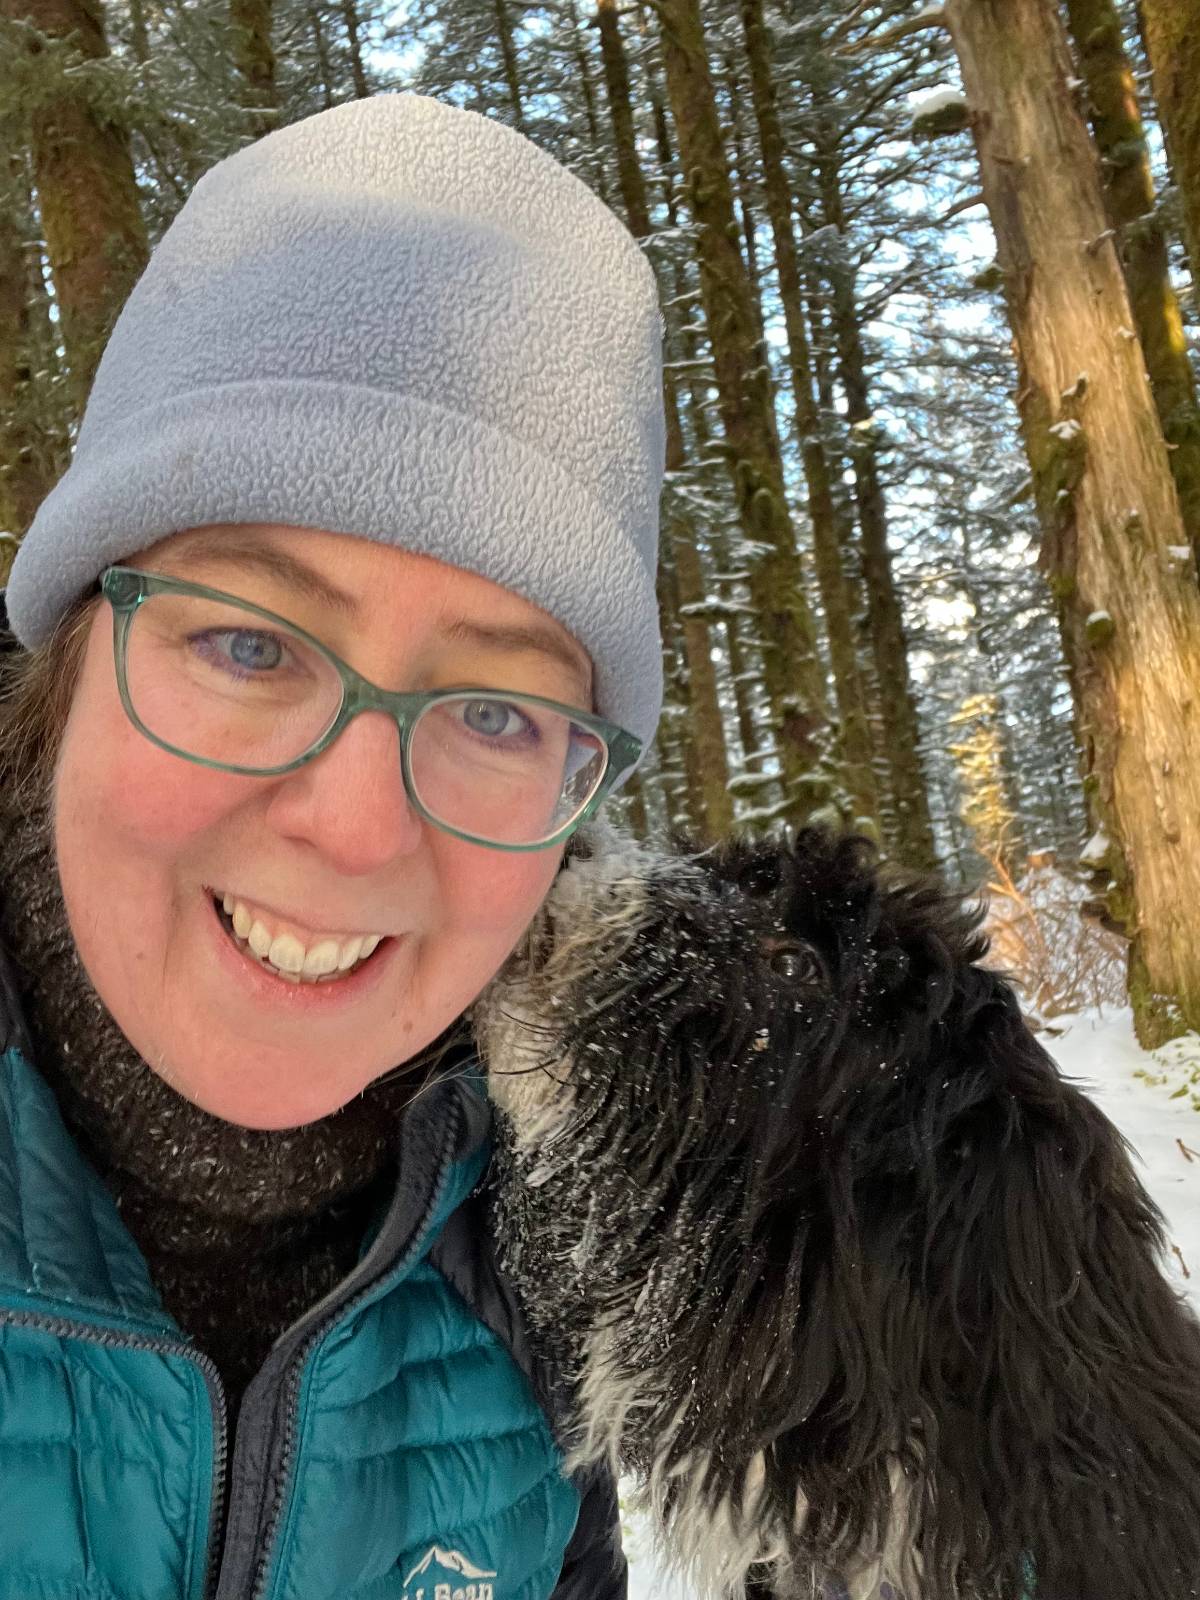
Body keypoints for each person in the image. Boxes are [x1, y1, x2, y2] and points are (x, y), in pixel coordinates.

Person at [0, 91, 665, 1600]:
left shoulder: (556, 1275)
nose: (358, 823)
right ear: (66, 654)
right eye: (247, 644)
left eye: (496, 714)